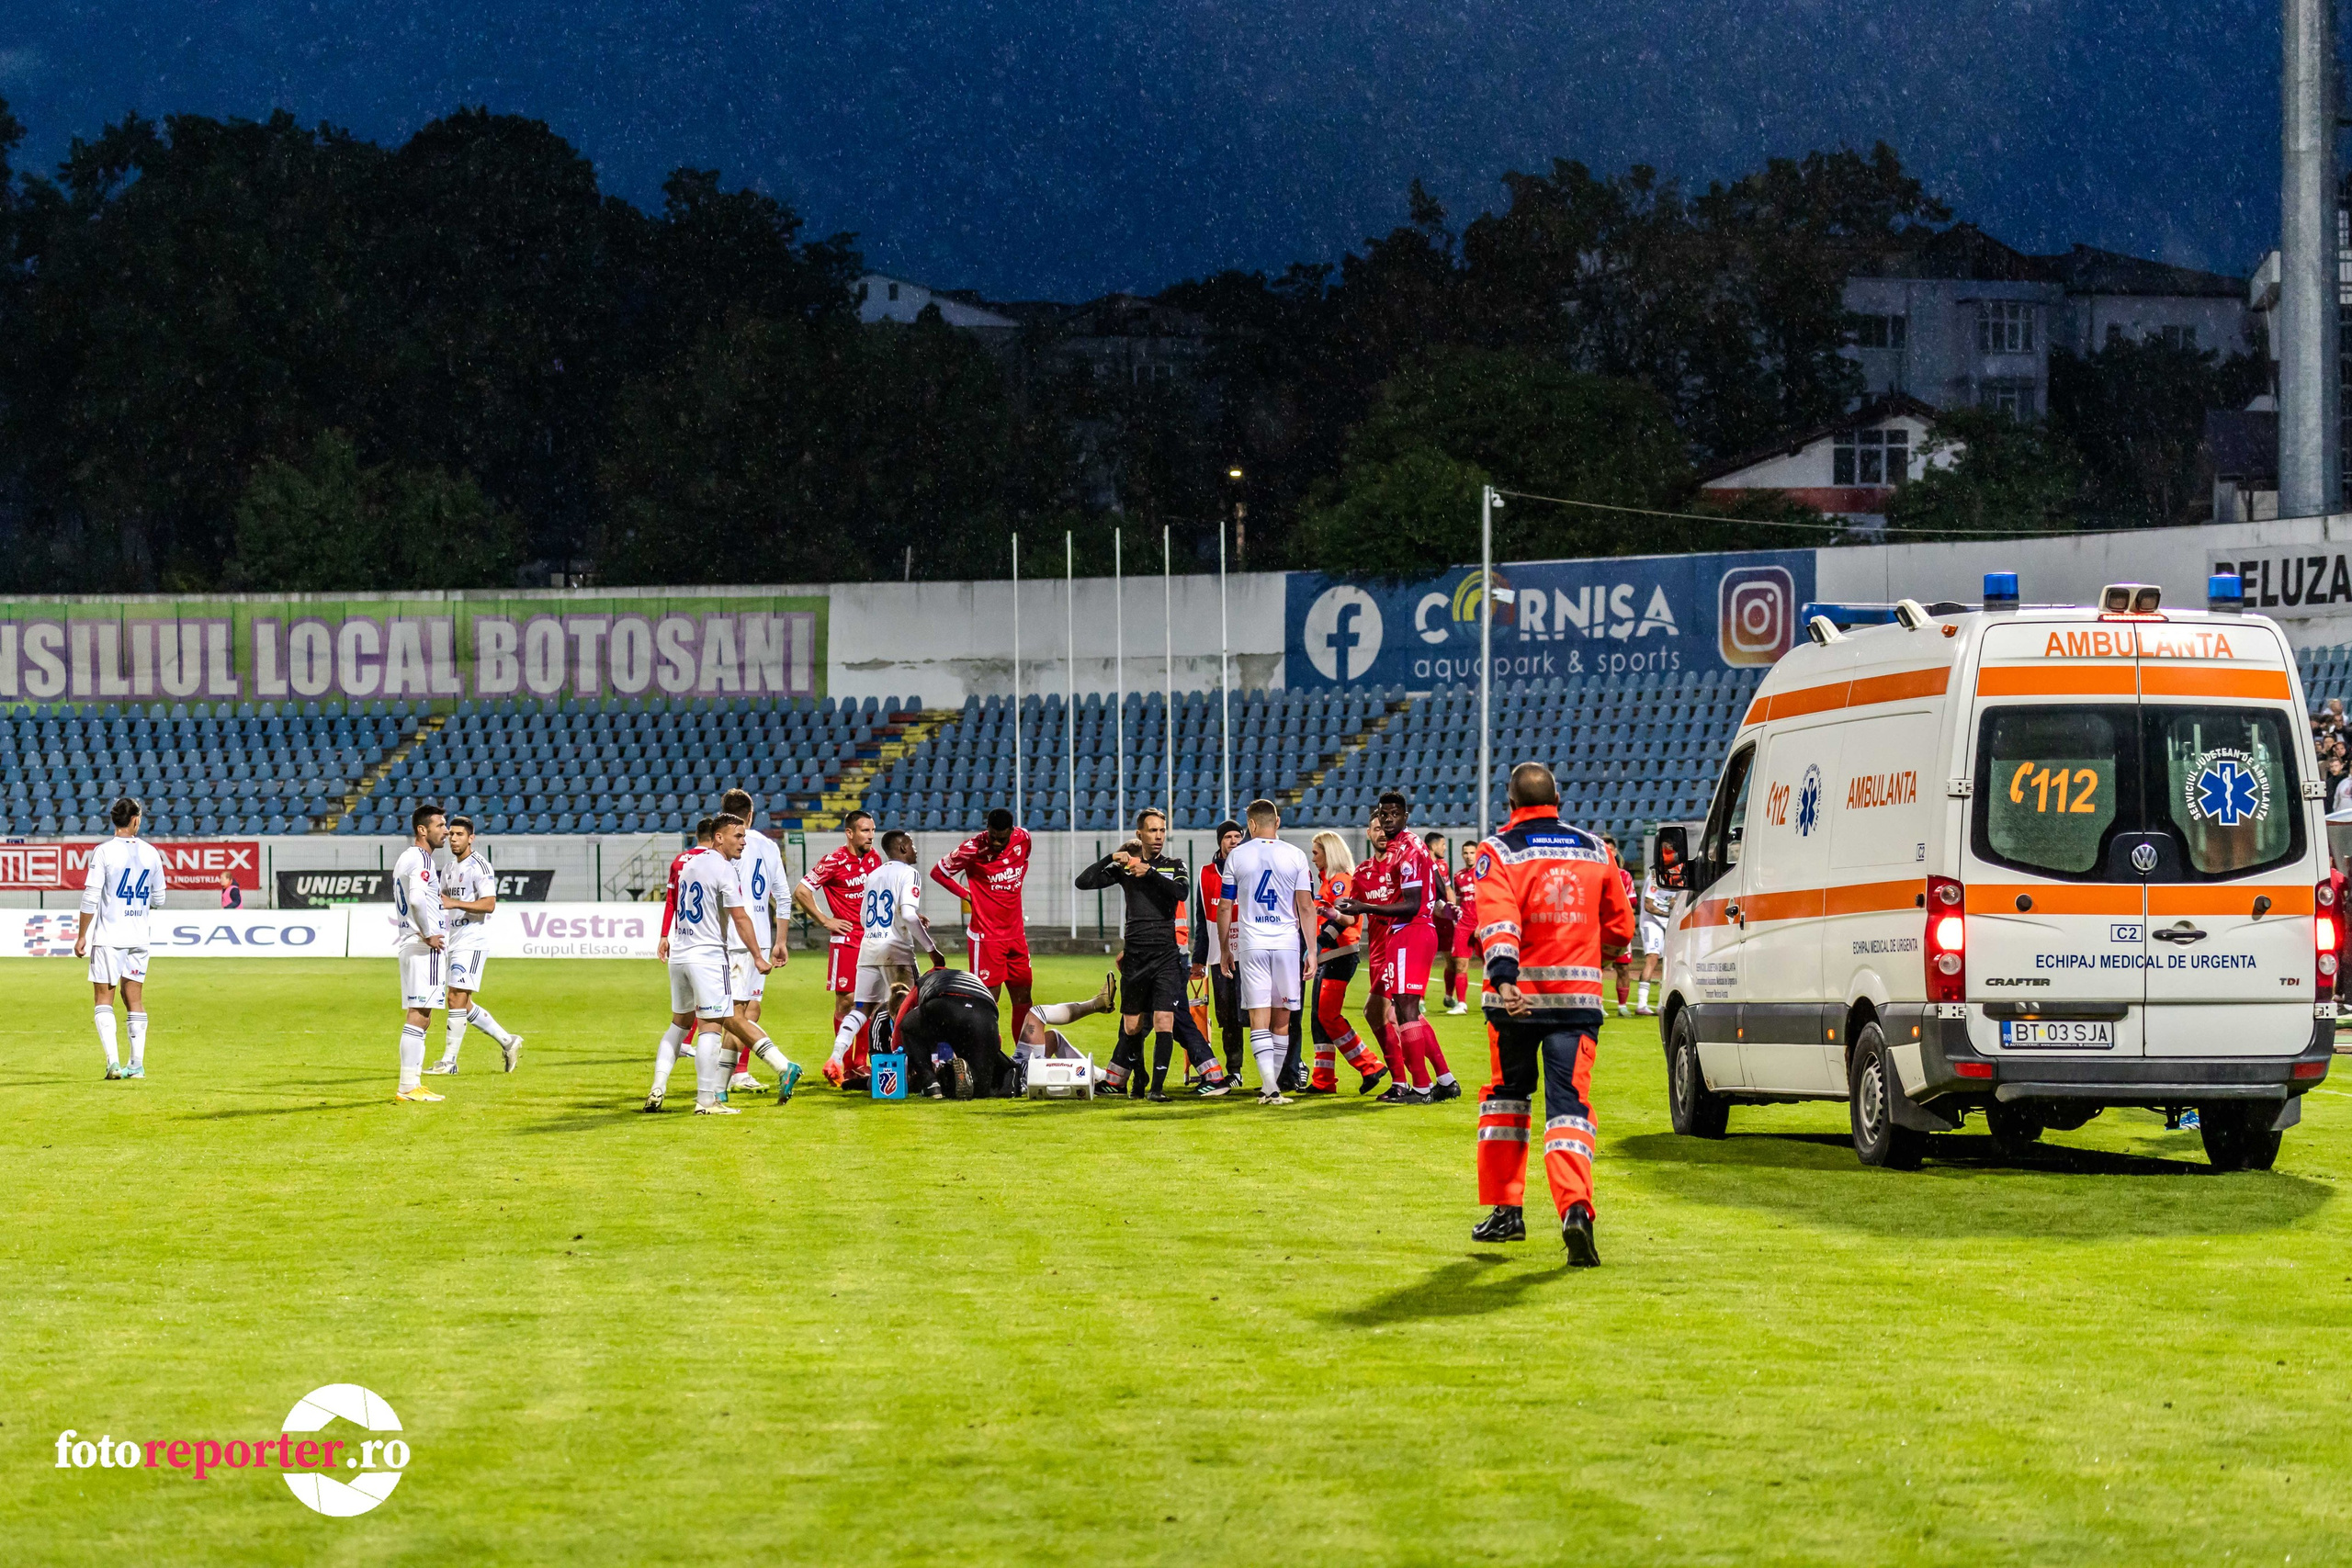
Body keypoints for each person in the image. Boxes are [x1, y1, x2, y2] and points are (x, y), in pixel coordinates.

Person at [1469, 761, 1635, 1265]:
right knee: (1569, 1109)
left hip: (1513, 1004)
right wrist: (1592, 956)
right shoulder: (1596, 849)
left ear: (1511, 804)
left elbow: (1498, 918)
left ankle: (1506, 1213)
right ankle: (1575, 1210)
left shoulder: (1497, 851)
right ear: (1558, 798)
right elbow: (1621, 928)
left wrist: (1504, 977)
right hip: (1577, 1003)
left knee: (1506, 1100)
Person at [1075, 808, 1234, 1100]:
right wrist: (1110, 858)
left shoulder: (1175, 865)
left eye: (1162, 830)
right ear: (1140, 835)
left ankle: (1149, 1085)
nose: (1159, 835)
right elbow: (1083, 882)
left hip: (1169, 956)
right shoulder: (1125, 871)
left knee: (1168, 1020)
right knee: (1135, 1023)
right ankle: (1129, 1077)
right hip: (1137, 957)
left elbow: (1181, 893)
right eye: (1153, 830)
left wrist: (1150, 873)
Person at [654, 812, 792, 1114]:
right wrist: (758, 955)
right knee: (711, 1027)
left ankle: (659, 1086)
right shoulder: (724, 869)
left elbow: (675, 904)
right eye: (738, 836)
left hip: (680, 954)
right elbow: (740, 917)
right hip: (708, 956)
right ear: (719, 837)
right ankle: (707, 1100)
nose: (744, 842)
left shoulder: (688, 865)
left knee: (679, 1025)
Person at [1339, 792, 1460, 1103]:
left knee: (1404, 1011)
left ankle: (1415, 1085)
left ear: (1405, 816)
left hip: (1407, 934)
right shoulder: (1374, 865)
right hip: (1396, 941)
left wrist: (1364, 906)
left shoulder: (1405, 851)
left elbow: (1413, 902)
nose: (1386, 822)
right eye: (1382, 817)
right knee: (1397, 1011)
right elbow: (1427, 889)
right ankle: (1440, 1080)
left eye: (1393, 815)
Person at [1216, 799, 1319, 1104]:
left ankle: (1269, 1086)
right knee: (1282, 1021)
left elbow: (1225, 906)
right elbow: (1306, 906)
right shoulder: (1296, 855)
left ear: (1250, 825)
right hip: (1287, 945)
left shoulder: (1237, 856)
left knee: (1258, 1016)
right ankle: (1271, 1088)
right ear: (1277, 822)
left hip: (1252, 944)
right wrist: (1311, 950)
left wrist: (1224, 949)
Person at [828, 829, 945, 1089]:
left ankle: (835, 1058)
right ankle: (914, 1071)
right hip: (896, 950)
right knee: (908, 1010)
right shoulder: (908, 873)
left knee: (861, 1009)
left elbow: (862, 917)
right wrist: (931, 948)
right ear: (902, 847)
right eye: (912, 845)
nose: (915, 850)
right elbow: (909, 914)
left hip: (868, 946)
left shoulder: (873, 875)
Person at [424, 816, 524, 1074]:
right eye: (451, 834)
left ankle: (449, 1062)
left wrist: (455, 903)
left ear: (471, 837)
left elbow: (489, 904)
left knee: (456, 998)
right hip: (454, 938)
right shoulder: (448, 869)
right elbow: (440, 900)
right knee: (462, 1003)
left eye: (459, 834)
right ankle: (508, 1041)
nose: (453, 839)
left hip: (473, 939)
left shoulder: (480, 866)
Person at [930, 807, 1037, 1049]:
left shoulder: (1024, 838)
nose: (998, 842)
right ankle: (989, 1057)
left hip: (1016, 935)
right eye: (993, 836)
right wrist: (966, 894)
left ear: (1012, 830)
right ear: (986, 829)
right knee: (986, 1003)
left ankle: (1023, 1058)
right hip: (985, 938)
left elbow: (1023, 862)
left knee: (1024, 999)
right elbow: (939, 872)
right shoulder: (971, 848)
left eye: (1003, 837)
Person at [75, 795, 165, 1081]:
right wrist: (137, 907)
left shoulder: (103, 852)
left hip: (109, 937)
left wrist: (81, 936)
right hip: (139, 937)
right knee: (134, 998)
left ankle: (113, 1063)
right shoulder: (151, 853)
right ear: (136, 820)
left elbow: (91, 897)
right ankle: (136, 1065)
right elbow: (160, 899)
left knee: (104, 998)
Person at [797, 811, 884, 1087]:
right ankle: (844, 1065)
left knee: (870, 1002)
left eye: (872, 830)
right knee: (846, 1003)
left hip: (873, 940)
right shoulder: (834, 861)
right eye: (864, 831)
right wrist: (825, 920)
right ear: (849, 833)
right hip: (846, 942)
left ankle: (861, 1063)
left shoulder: (875, 859)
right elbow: (802, 890)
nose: (870, 835)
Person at [1301, 830, 1385, 1094]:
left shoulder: (1340, 881)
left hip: (1338, 956)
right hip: (1330, 956)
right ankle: (1323, 1080)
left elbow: (1347, 918)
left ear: (1329, 852)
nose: (1312, 857)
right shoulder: (1330, 881)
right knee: (1319, 1018)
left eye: (1316, 852)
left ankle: (1369, 1064)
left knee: (1327, 1016)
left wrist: (1322, 941)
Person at [719, 788, 792, 1093]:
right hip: (761, 939)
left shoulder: (721, 846)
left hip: (729, 938)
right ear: (751, 814)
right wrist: (781, 941)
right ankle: (735, 1074)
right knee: (748, 1010)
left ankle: (728, 1077)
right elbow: (784, 897)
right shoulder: (769, 846)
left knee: (728, 1014)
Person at [390, 803, 450, 1104]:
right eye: (440, 825)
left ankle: (412, 1083)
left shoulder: (408, 858)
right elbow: (415, 899)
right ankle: (406, 1087)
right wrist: (428, 934)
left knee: (421, 1015)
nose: (446, 831)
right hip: (422, 946)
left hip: (412, 944)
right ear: (422, 830)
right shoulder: (421, 859)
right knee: (419, 1015)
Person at [1189, 819, 1247, 1082]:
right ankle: (1235, 1069)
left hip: (1250, 953)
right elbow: (1202, 920)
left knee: (1260, 1013)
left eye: (1238, 836)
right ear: (1220, 841)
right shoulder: (1206, 874)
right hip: (1218, 955)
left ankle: (1281, 1068)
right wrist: (1198, 958)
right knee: (1228, 1016)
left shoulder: (1251, 868)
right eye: (1228, 837)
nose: (1233, 841)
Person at [1012, 970, 1122, 1090]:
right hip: (1016, 1076)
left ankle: (1103, 1077)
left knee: (1053, 1038)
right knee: (1037, 1014)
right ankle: (1096, 1004)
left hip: (1012, 1071)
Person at [1424, 831, 1465, 1014]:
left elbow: (1447, 888)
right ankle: (1420, 999)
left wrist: (1452, 910)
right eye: (1442, 844)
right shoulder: (1421, 864)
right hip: (1428, 918)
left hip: (1444, 919)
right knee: (1425, 959)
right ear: (1433, 846)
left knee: (1451, 959)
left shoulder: (1443, 865)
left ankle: (1449, 996)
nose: (1444, 847)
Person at [1635, 841, 1676, 1017]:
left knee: (1668, 961)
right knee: (1652, 958)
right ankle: (1642, 1004)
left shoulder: (1676, 875)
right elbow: (1649, 905)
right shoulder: (1654, 876)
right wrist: (1668, 914)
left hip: (1666, 921)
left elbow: (1673, 900)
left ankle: (1661, 1003)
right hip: (1651, 922)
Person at [1600, 834, 1637, 1017]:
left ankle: (1622, 1006)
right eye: (1605, 848)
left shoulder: (1624, 876)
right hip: (1599, 928)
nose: (1609, 851)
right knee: (1597, 968)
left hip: (1619, 928)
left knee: (1623, 968)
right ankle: (1598, 1004)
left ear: (1616, 851)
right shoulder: (1595, 873)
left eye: (1611, 848)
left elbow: (1632, 902)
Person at [1446, 840, 1479, 1013]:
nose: (1468, 856)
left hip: (1483, 923)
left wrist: (1484, 922)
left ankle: (1500, 1000)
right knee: (1460, 964)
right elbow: (1459, 900)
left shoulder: (1485, 874)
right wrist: (1455, 917)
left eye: (1472, 853)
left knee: (1492, 964)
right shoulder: (1459, 876)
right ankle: (1462, 1004)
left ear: (1478, 853)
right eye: (1465, 853)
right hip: (1464, 924)